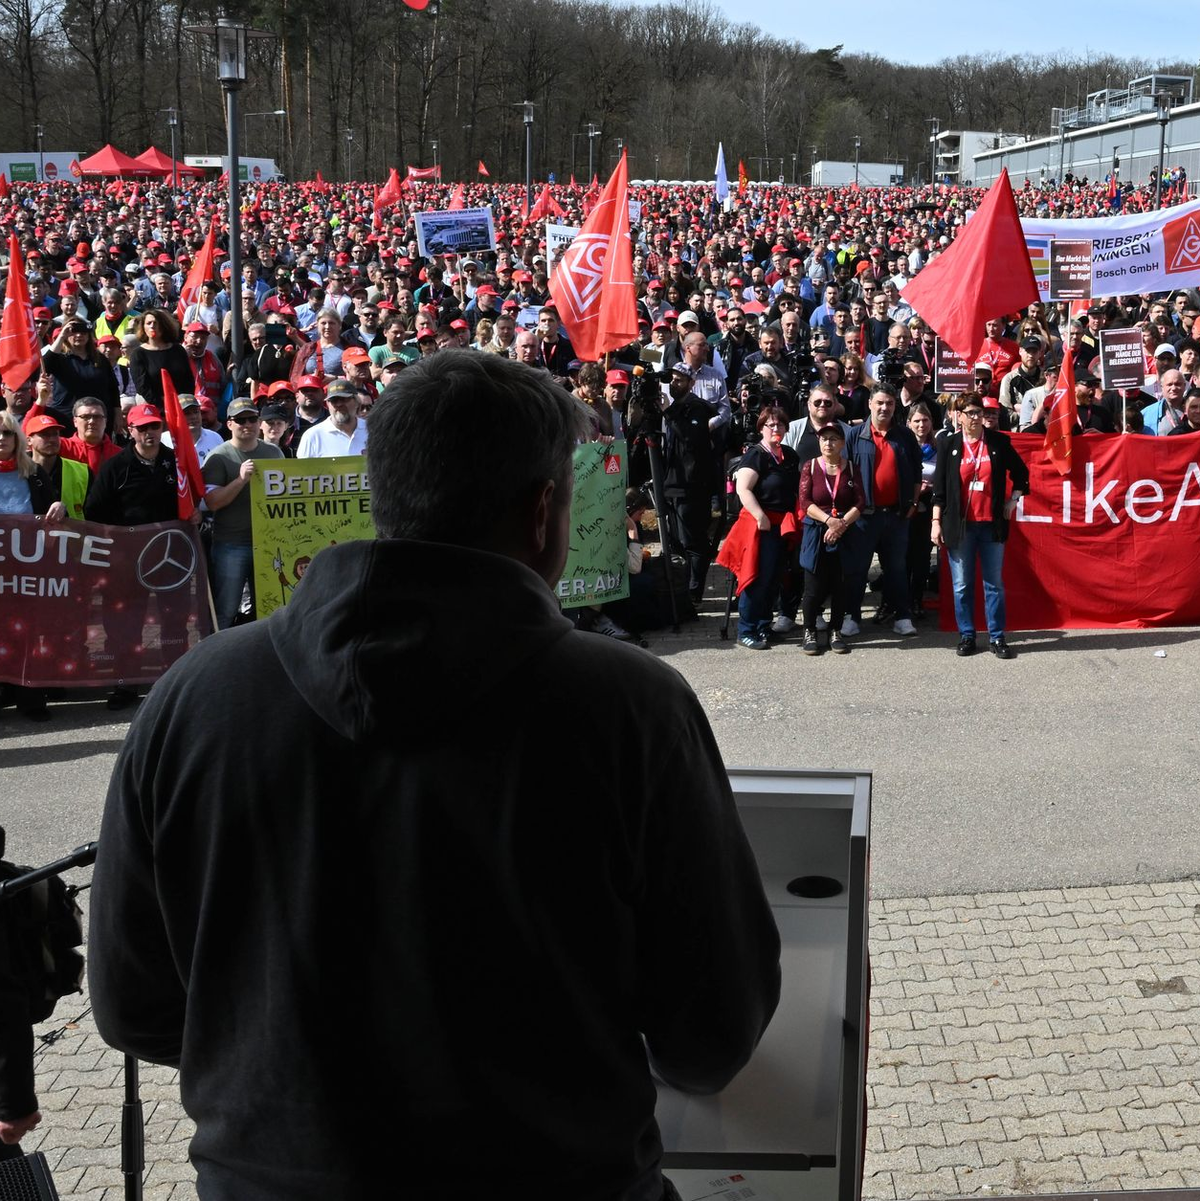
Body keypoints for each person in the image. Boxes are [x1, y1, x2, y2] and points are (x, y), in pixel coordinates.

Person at [88, 349, 780, 1201]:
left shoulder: (191, 700)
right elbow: (713, 1028)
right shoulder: (630, 709)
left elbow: (135, 1007)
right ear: (542, 514)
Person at [931, 393, 1031, 660]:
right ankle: (967, 635)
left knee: (994, 584)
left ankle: (997, 637)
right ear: (959, 416)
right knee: (962, 585)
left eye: (979, 412)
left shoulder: (998, 442)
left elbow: (1022, 473)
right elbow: (939, 490)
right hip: (960, 527)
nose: (976, 417)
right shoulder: (948, 444)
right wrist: (935, 522)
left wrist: (1014, 499)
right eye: (970, 412)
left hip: (991, 526)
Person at [717, 406, 800, 649]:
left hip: (781, 525)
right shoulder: (756, 454)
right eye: (770, 425)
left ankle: (764, 626)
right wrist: (759, 515)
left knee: (774, 578)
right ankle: (747, 630)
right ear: (761, 428)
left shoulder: (789, 454)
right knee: (756, 578)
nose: (776, 429)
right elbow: (743, 489)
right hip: (758, 525)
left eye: (780, 425)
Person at [843, 386, 923, 638]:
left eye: (889, 403)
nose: (884, 408)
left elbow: (917, 473)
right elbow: (844, 474)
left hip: (896, 515)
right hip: (864, 516)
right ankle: (852, 617)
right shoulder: (855, 435)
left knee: (897, 568)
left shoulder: (905, 437)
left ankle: (902, 616)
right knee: (857, 569)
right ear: (869, 404)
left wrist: (912, 503)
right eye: (879, 402)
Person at [202, 400, 285, 630]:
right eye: (240, 420)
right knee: (226, 611)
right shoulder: (218, 457)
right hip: (232, 545)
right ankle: (217, 659)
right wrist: (241, 480)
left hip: (268, 544)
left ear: (259, 422)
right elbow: (212, 502)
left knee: (270, 610)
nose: (246, 424)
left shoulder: (274, 452)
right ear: (229, 424)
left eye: (251, 419)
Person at [795, 423, 865, 655]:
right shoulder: (810, 466)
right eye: (824, 439)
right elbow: (805, 502)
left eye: (834, 439)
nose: (828, 443)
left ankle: (835, 630)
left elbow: (860, 502)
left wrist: (842, 524)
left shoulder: (852, 469)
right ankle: (810, 630)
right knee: (813, 586)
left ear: (842, 443)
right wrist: (829, 521)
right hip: (817, 532)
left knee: (840, 585)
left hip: (844, 533)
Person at [41, 318, 121, 433]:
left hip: (98, 416)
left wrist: (117, 413)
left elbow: (113, 389)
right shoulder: (60, 358)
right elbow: (45, 366)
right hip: (67, 417)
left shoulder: (100, 359)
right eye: (74, 331)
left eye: (83, 332)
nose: (79, 335)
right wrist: (62, 336)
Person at [127, 309, 193, 411]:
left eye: (156, 323)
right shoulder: (138, 354)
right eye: (149, 323)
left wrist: (183, 403)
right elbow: (142, 386)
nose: (152, 326)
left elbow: (188, 380)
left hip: (180, 406)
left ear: (163, 326)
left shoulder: (178, 350)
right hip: (152, 407)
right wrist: (162, 406)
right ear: (143, 327)